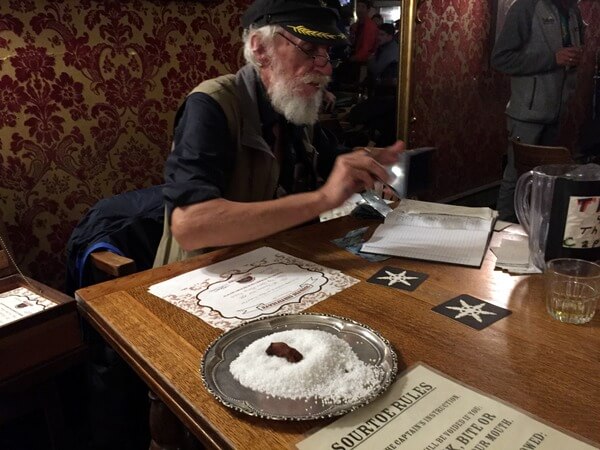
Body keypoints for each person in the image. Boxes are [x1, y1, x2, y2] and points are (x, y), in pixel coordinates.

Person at [154, 0, 404, 266]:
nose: (326, 67)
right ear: (260, 49)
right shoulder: (212, 104)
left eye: (327, 53)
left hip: (277, 264)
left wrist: (363, 163)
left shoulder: (293, 104)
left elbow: (328, 160)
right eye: (308, 49)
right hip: (202, 276)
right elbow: (191, 227)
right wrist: (322, 199)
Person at [491, 0, 585, 222]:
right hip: (526, 113)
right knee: (516, 176)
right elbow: (500, 59)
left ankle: (532, 233)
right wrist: (552, 59)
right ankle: (501, 231)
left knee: (544, 179)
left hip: (557, 111)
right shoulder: (526, 7)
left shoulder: (573, 12)